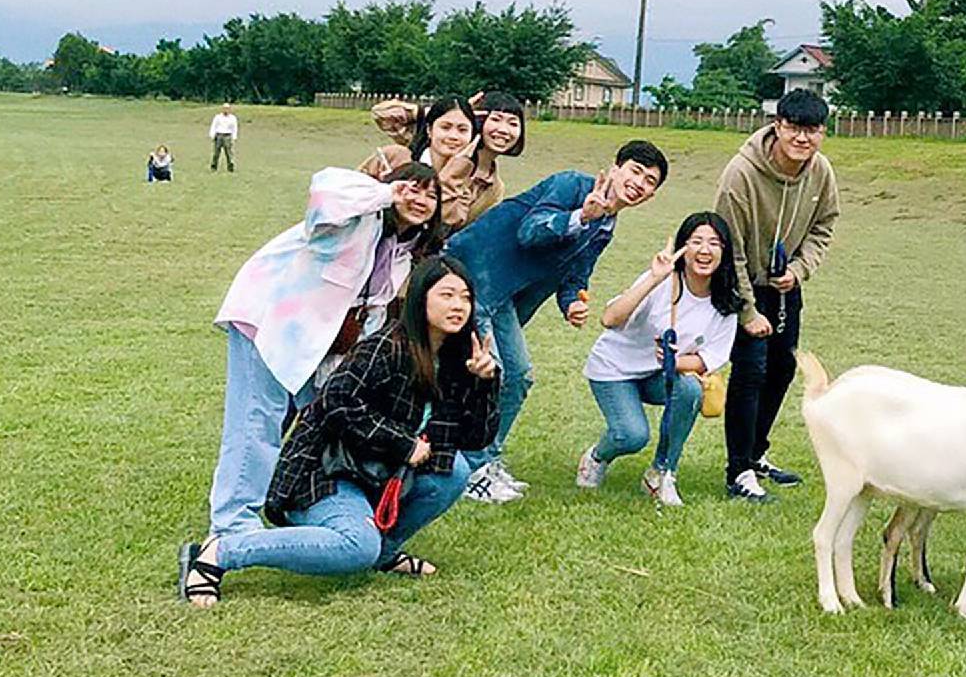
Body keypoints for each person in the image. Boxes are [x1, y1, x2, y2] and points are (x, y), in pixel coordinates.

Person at [178, 257, 501, 606]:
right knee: (355, 546)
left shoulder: (457, 360)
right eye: (447, 295)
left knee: (454, 471)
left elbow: (474, 440)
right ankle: (220, 552)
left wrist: (484, 383)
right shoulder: (387, 346)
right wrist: (403, 443)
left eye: (465, 297)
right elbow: (336, 401)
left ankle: (384, 552)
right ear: (420, 297)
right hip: (327, 472)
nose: (458, 306)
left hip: (376, 473)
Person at [204, 163, 445, 539]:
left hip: (318, 344)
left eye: (431, 194)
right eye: (412, 188)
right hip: (269, 322)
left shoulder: (403, 252)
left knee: (315, 417)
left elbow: (370, 313)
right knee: (257, 423)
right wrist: (386, 194)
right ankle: (232, 525)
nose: (420, 199)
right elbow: (325, 187)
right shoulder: (352, 220)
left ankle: (296, 500)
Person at [445, 140, 670, 503]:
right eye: (636, 172)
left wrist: (571, 304)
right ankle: (471, 468)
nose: (640, 183)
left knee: (517, 376)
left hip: (501, 298)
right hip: (475, 279)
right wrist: (582, 214)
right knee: (493, 375)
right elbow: (530, 231)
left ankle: (486, 460)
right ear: (615, 168)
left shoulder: (607, 225)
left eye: (650, 182)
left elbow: (575, 276)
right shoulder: (572, 186)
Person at [715, 88, 841, 503]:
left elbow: (825, 225)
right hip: (743, 284)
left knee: (782, 369)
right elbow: (727, 246)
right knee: (750, 371)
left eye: (813, 131)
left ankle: (755, 454)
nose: (803, 139)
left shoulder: (821, 171)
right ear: (778, 126)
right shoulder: (741, 173)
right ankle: (738, 472)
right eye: (795, 129)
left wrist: (799, 270)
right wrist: (748, 310)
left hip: (786, 288)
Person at [577, 212, 742, 507]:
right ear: (683, 248)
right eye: (696, 242)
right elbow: (609, 318)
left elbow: (709, 358)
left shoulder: (726, 300)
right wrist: (654, 278)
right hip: (615, 369)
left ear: (725, 252)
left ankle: (662, 473)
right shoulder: (664, 281)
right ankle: (596, 456)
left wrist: (673, 361)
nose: (704, 251)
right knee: (632, 435)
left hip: (658, 375)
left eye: (714, 243)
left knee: (691, 390)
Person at [413, 92, 525, 231]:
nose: (503, 130)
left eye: (513, 123)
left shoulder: (495, 188)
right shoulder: (445, 154)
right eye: (496, 119)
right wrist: (453, 111)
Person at [208, 103, 239, 172]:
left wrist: (234, 137)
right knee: (216, 153)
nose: (226, 110)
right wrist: (212, 135)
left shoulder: (233, 118)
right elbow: (214, 126)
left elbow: (235, 128)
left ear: (229, 109)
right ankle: (214, 167)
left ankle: (230, 167)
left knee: (229, 153)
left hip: (228, 136)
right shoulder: (217, 117)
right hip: (219, 135)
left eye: (227, 108)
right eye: (224, 108)